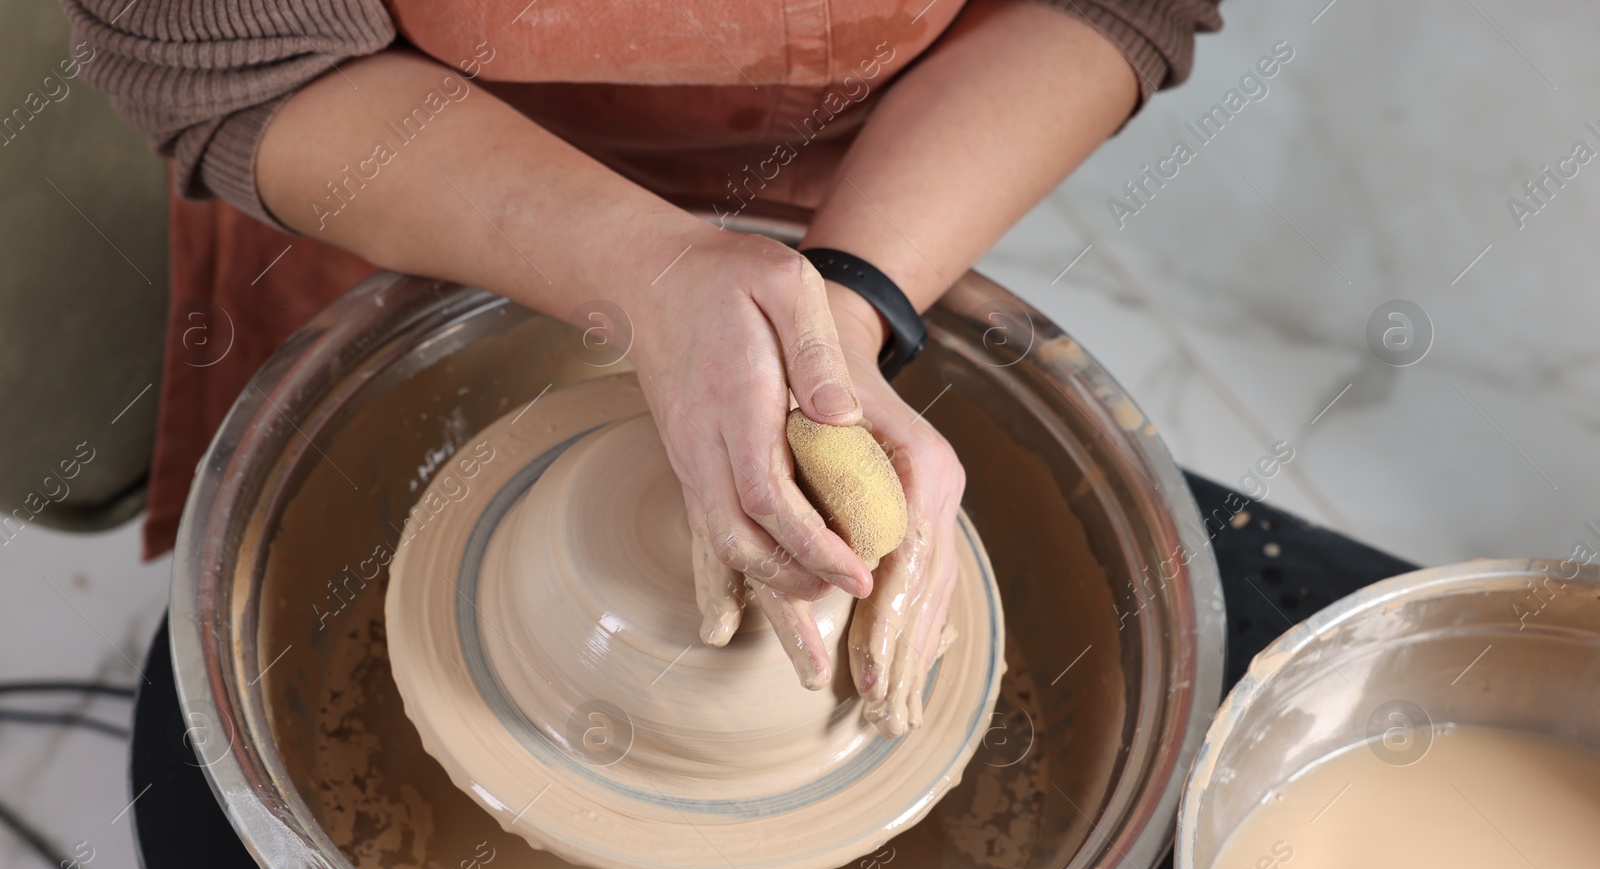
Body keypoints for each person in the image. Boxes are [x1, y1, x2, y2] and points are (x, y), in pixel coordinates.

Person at [65, 0, 1220, 727]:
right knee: (327, 595)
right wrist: (652, 271)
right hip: (403, 183)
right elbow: (228, 58)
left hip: (858, 186)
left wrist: (846, 301)